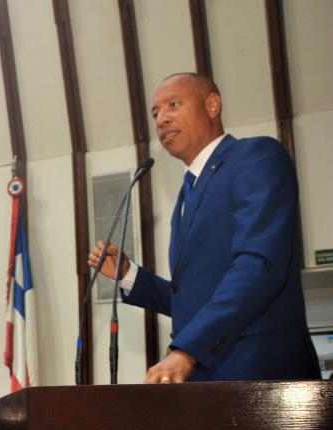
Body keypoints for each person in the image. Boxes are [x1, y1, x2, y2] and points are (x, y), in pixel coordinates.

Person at [89, 72, 320, 383]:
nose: (161, 120)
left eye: (173, 105)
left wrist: (188, 351)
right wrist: (130, 275)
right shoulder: (187, 193)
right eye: (155, 113)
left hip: (260, 375)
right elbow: (193, 301)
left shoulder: (255, 157)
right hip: (207, 383)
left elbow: (259, 266)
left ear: (212, 105)